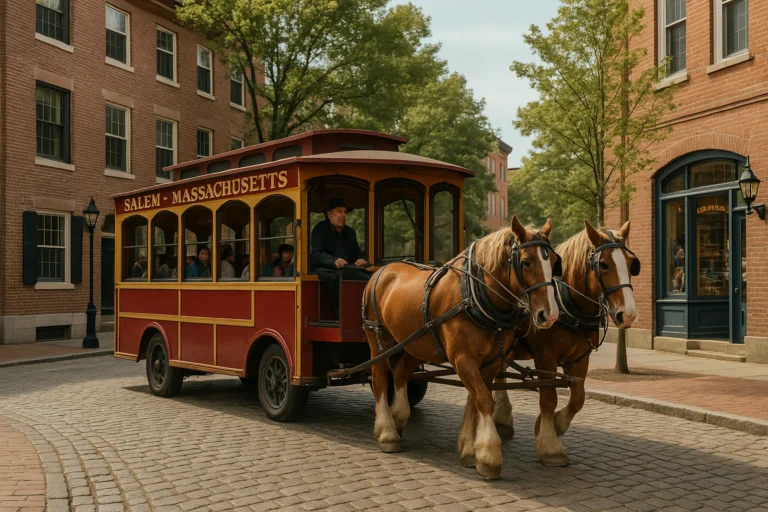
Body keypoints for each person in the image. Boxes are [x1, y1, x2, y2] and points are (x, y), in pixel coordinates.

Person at [310, 198, 370, 316]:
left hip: (347, 269)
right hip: (323, 270)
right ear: (329, 214)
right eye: (339, 211)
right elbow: (317, 255)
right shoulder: (320, 229)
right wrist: (334, 260)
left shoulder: (350, 232)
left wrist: (360, 259)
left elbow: (356, 252)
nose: (343, 215)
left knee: (361, 274)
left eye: (344, 212)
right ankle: (341, 313)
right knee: (337, 275)